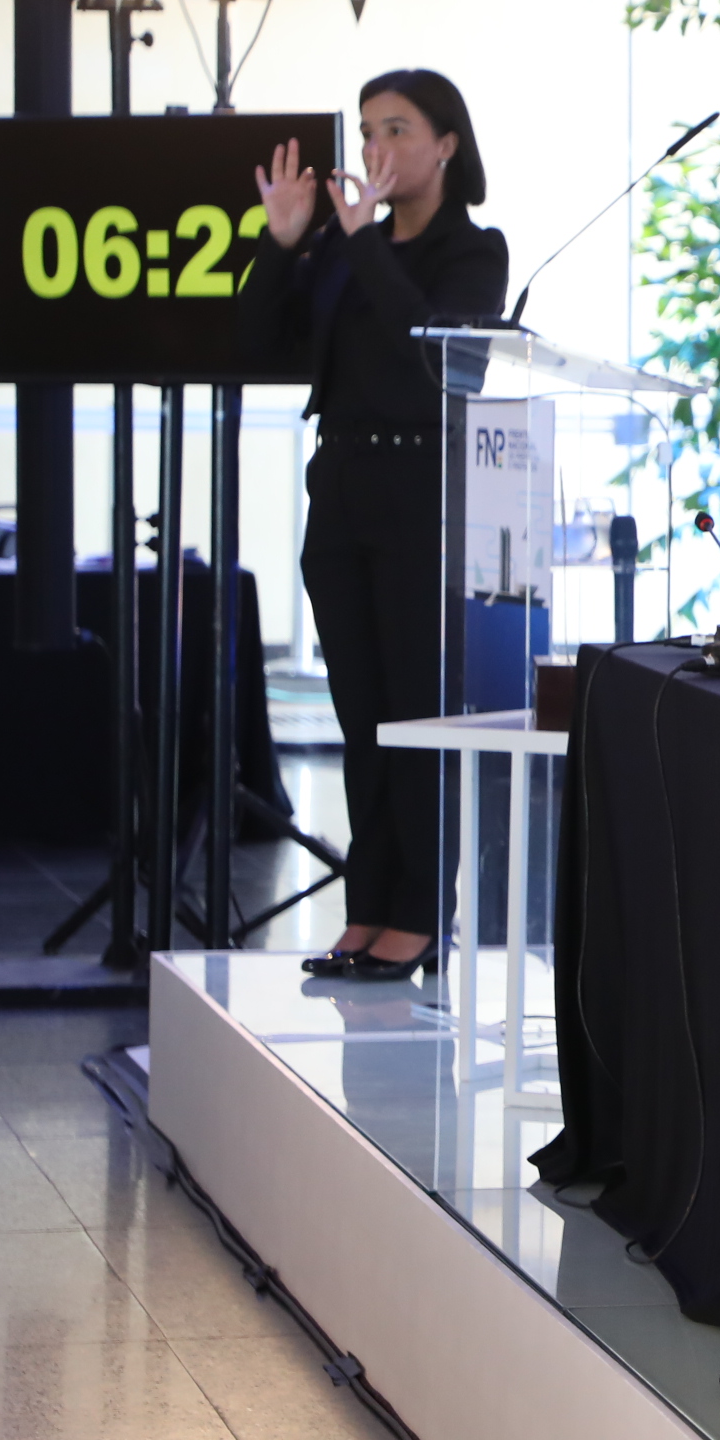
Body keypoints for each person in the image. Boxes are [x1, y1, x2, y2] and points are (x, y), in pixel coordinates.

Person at [245, 70, 510, 984]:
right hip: (343, 491)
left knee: (414, 714)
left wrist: (361, 243)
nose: (374, 149)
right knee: (360, 717)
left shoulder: (473, 251)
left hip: (422, 497)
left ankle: (422, 913)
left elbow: (432, 353)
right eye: (366, 132)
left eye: (396, 129)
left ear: (447, 145)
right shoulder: (339, 246)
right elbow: (254, 343)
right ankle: (368, 907)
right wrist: (283, 244)